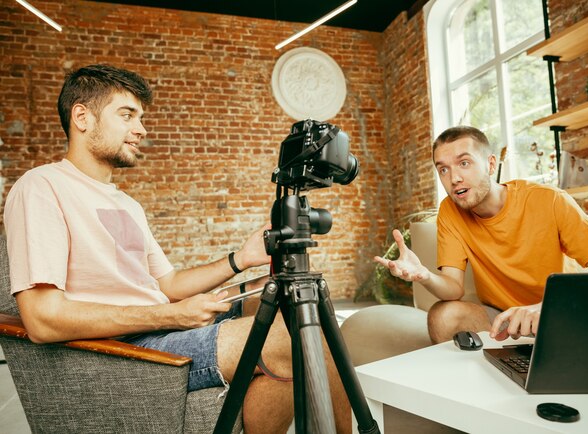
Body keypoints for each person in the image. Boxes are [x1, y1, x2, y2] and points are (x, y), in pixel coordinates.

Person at [3, 64, 350, 434]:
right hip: (131, 349)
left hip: (158, 327)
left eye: (141, 117)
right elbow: (41, 318)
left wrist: (241, 259)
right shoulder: (41, 187)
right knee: (289, 336)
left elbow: (166, 284)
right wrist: (171, 316)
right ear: (82, 117)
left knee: (301, 304)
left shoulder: (126, 204)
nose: (141, 129)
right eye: (127, 115)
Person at [375, 126, 588, 344]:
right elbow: (453, 289)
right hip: (503, 318)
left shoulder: (549, 200)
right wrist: (424, 275)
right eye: (443, 169)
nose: (454, 178)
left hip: (564, 312)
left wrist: (548, 308)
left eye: (464, 163)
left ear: (491, 164)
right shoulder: (450, 211)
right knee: (443, 315)